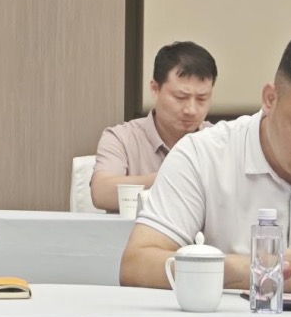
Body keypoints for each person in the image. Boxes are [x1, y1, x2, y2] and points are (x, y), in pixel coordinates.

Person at [119, 27, 291, 293]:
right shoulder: (201, 153)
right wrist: (233, 269)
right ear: (270, 98)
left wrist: (254, 270)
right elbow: (136, 264)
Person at [90, 42, 217, 212]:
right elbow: (101, 193)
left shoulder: (220, 140)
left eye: (202, 99)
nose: (191, 110)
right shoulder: (121, 138)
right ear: (155, 90)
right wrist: (177, 177)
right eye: (180, 97)